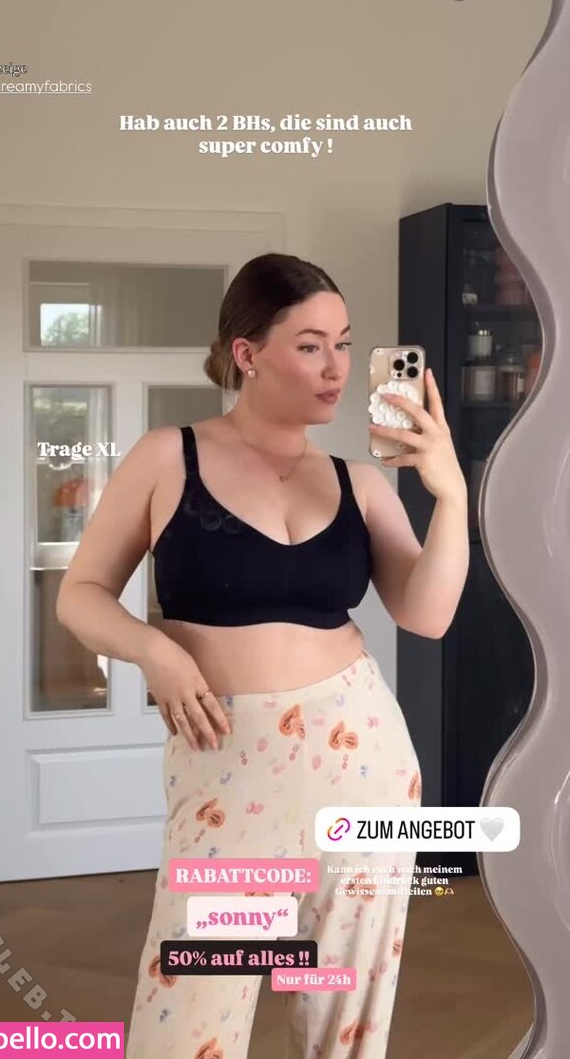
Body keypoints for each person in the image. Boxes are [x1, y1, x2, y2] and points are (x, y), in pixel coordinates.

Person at [56, 252, 468, 1058]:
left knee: (346, 1010)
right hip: (228, 761)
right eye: (310, 345)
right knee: (191, 1015)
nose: (336, 368)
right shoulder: (168, 456)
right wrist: (154, 651)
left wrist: (449, 492)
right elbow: (81, 594)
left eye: (344, 344)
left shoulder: (359, 482)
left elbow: (428, 614)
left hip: (363, 762)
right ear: (247, 353)